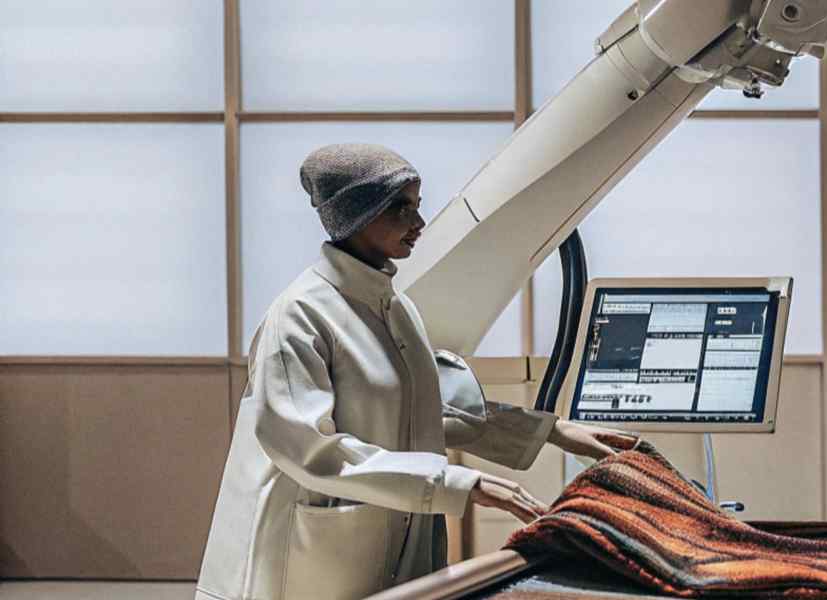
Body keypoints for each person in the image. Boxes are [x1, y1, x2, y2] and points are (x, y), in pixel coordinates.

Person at [197, 143, 633, 600]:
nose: (419, 224)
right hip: (308, 555)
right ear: (357, 215)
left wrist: (554, 432)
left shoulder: (396, 308)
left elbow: (429, 409)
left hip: (385, 542)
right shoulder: (300, 316)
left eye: (417, 206)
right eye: (401, 209)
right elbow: (308, 448)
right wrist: (458, 483)